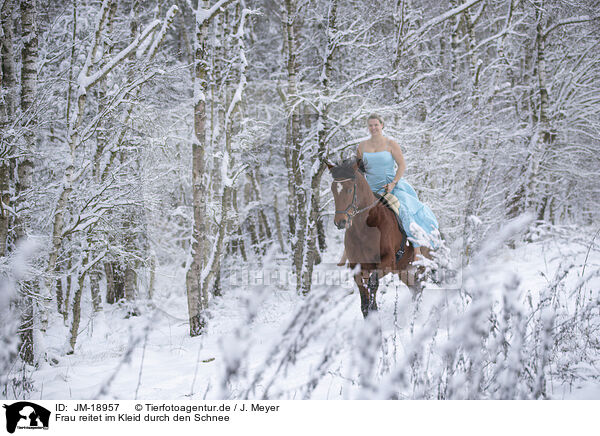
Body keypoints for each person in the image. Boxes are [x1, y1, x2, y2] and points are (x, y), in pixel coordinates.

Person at [354, 113, 439, 263]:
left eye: (376, 125)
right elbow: (359, 170)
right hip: (370, 189)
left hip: (389, 187)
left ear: (382, 125)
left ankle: (417, 248)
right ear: (367, 127)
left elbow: (402, 165)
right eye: (370, 125)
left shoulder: (390, 144)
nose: (373, 128)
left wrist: (393, 183)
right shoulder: (362, 147)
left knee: (402, 209)